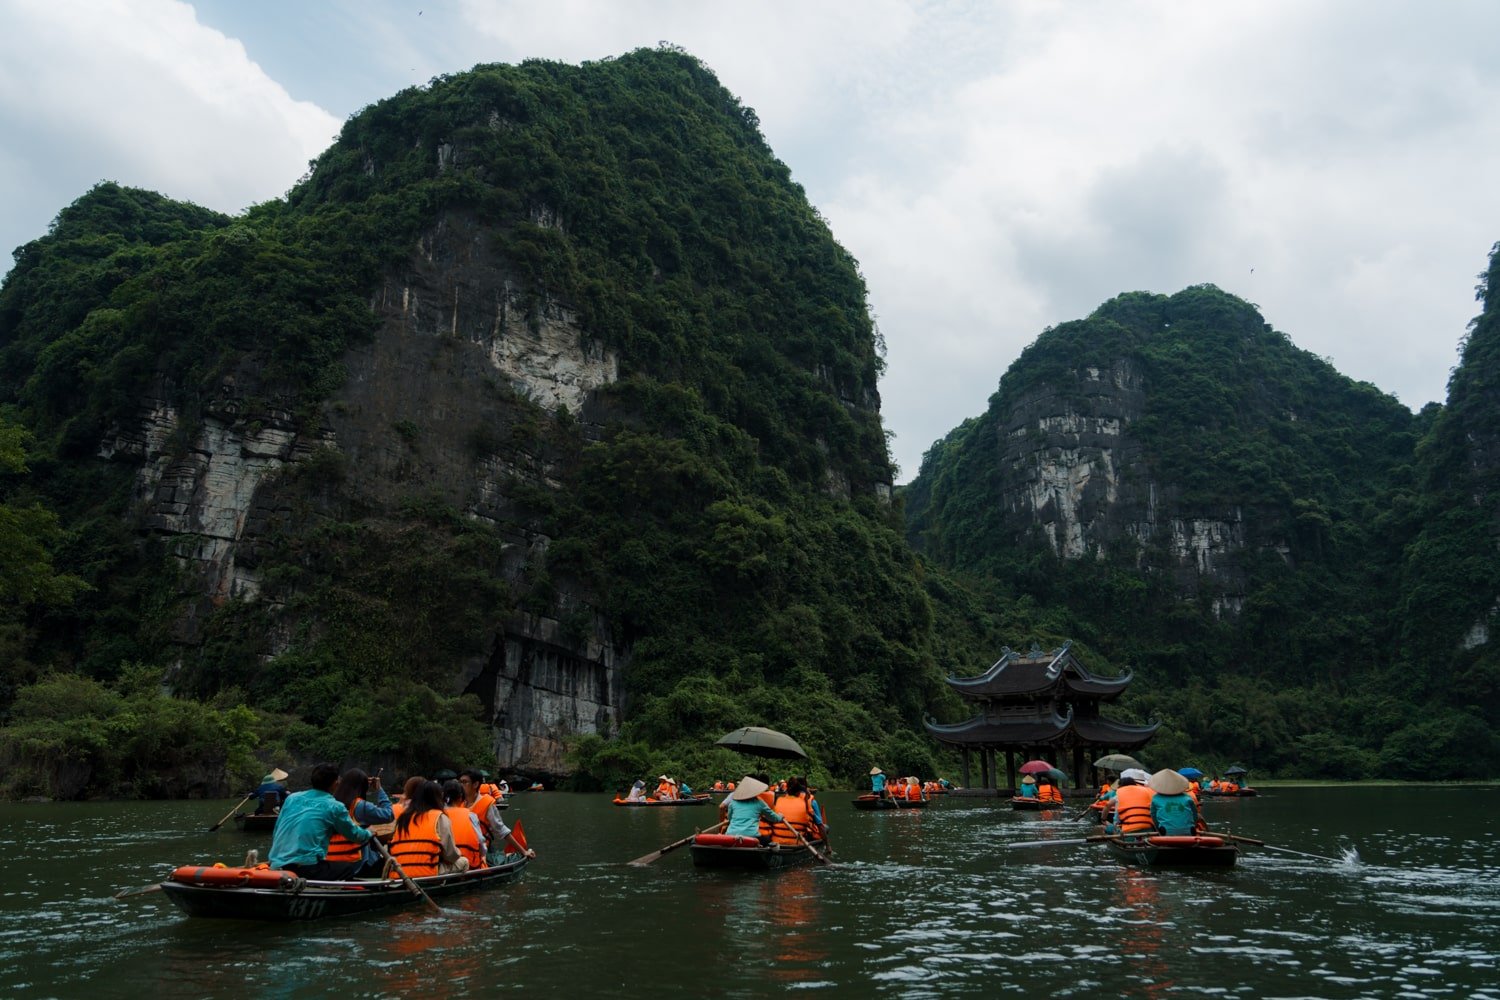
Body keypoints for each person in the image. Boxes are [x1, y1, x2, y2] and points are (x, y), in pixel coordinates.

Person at [268, 762, 374, 880]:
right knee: (347, 869)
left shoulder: (291, 798)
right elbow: (355, 835)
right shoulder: (334, 806)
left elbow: (277, 829)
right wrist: (369, 832)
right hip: (305, 866)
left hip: (276, 863)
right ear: (335, 783)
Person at [321, 768, 395, 877]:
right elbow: (388, 814)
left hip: (330, 860)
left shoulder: (330, 803)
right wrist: (379, 789)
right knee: (389, 865)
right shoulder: (359, 806)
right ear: (363, 787)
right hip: (355, 863)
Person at [387, 779, 467, 877]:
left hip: (399, 875)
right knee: (464, 861)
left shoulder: (403, 817)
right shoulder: (439, 817)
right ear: (438, 798)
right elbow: (451, 855)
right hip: (427, 873)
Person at [459, 768, 535, 862]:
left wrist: (523, 852)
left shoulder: (487, 804)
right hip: (459, 849)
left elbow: (501, 830)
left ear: (475, 784)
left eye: (465, 782)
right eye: (460, 782)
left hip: (481, 850)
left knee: (504, 859)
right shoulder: (459, 803)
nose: (461, 785)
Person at [442, 778, 489, 869]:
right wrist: (483, 855)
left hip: (445, 865)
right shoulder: (470, 815)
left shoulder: (437, 816)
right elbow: (481, 841)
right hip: (470, 864)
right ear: (461, 797)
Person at [723, 776, 782, 844]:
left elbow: (730, 818)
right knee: (772, 843)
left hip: (731, 835)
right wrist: (780, 817)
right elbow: (773, 818)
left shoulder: (733, 802)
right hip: (752, 836)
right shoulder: (759, 803)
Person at [1147, 769, 1200, 835]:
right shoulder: (1187, 797)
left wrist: (1159, 830)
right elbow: (1195, 815)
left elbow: (1154, 818)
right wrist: (1193, 826)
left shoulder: (1156, 798)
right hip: (1189, 831)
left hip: (1166, 832)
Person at [1107, 768, 1156, 835]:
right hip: (1149, 828)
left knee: (1104, 828)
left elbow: (1116, 819)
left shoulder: (1120, 794)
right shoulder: (1149, 792)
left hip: (1128, 831)